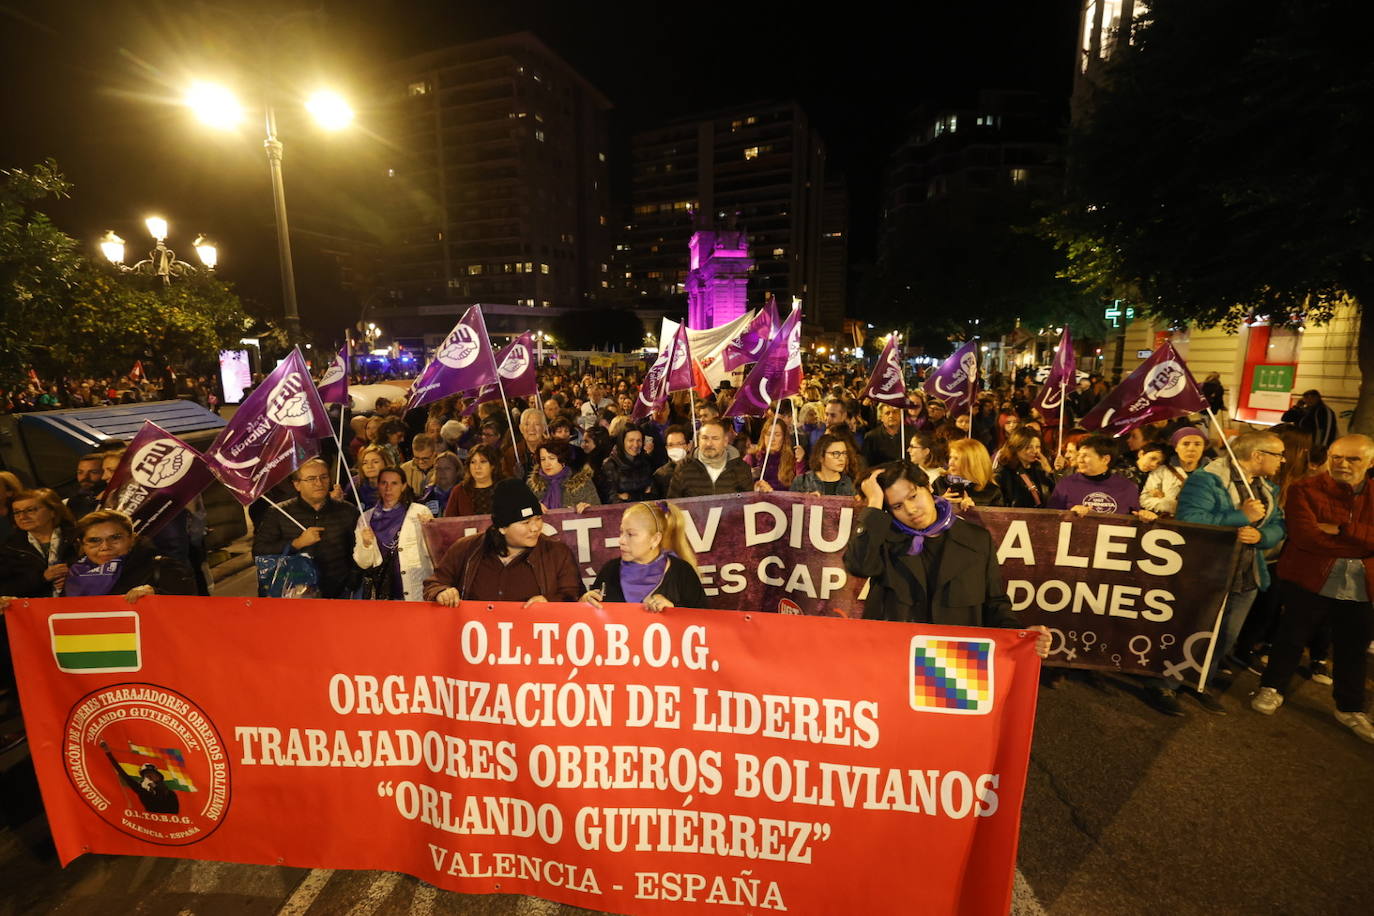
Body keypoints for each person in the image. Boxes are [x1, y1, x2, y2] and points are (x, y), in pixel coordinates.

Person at [842, 461, 1049, 656]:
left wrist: (1021, 635)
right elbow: (858, 565)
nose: (910, 510)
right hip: (895, 656)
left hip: (954, 663)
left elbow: (994, 603)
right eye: (897, 506)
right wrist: (875, 503)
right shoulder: (882, 540)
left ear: (929, 488)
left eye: (913, 496)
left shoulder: (976, 539)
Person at [1251, 435, 1374, 742]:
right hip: (1308, 578)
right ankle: (1272, 687)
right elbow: (1306, 537)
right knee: (1290, 637)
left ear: (1370, 462)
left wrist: (1343, 530)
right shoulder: (1304, 489)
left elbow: (1325, 536)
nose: (1343, 464)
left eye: (1353, 459)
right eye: (1337, 457)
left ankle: (1350, 708)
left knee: (1352, 649)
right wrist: (1362, 544)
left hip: (1361, 585)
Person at [1165, 431, 1286, 713]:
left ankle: (1197, 682)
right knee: (1191, 629)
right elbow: (1190, 521)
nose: (1282, 460)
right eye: (1278, 454)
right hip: (1207, 571)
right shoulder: (1207, 480)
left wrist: (1261, 537)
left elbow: (1279, 525)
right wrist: (1240, 517)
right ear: (1258, 455)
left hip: (1246, 575)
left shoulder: (1266, 487)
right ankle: (1164, 685)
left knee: (1224, 637)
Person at [424, 478, 580, 606]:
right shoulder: (466, 549)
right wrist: (441, 592)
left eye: (538, 519)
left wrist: (549, 602)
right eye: (525, 523)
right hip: (476, 639)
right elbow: (433, 584)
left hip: (532, 639)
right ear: (502, 527)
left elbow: (573, 595)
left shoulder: (557, 553)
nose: (535, 528)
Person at [252, 458, 361, 599]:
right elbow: (258, 551)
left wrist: (351, 584)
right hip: (294, 595)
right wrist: (296, 543)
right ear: (297, 484)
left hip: (338, 593)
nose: (319, 483)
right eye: (311, 479)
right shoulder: (278, 513)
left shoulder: (348, 511)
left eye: (324, 477)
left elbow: (357, 553)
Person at [581, 501, 709, 613]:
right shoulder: (610, 570)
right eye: (621, 532)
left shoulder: (682, 572)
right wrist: (584, 604)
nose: (621, 540)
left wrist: (674, 610)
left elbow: (704, 622)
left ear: (655, 539)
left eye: (631, 534)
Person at [63, 510, 195, 600]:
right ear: (82, 544)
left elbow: (193, 609)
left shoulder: (162, 567)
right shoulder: (74, 576)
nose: (105, 547)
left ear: (132, 539)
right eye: (94, 540)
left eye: (115, 538)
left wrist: (158, 594)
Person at [354, 468, 435, 601]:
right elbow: (363, 563)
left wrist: (430, 528)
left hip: (416, 593)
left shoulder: (419, 512)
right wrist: (366, 544)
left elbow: (432, 553)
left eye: (394, 483)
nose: (388, 488)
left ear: (403, 486)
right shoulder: (366, 518)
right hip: (383, 594)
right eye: (383, 483)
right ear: (378, 485)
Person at [1047, 435, 1155, 520]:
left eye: (1085, 455)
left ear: (1105, 459)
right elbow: (1048, 518)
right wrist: (1069, 514)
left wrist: (1145, 516)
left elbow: (1135, 518)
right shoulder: (1066, 484)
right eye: (1079, 455)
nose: (1080, 459)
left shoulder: (1127, 487)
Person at [0, 488, 78, 599]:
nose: (22, 517)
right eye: (17, 512)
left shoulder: (77, 538)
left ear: (53, 511)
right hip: (32, 610)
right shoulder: (10, 547)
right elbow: (5, 589)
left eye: (30, 510)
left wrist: (73, 578)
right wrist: (42, 577)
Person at [667, 418, 756, 497]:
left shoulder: (741, 469)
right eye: (705, 438)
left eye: (715, 438)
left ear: (725, 441)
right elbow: (673, 507)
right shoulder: (683, 468)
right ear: (698, 439)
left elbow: (748, 504)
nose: (709, 443)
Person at [1139, 427, 1210, 517]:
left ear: (1203, 447)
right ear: (1176, 447)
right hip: (1172, 524)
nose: (1191, 448)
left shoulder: (1214, 471)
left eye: (1197, 444)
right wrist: (1171, 505)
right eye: (1186, 444)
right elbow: (1145, 499)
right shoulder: (1162, 471)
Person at [529, 440, 600, 511]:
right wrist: (533, 508)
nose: (547, 464)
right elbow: (523, 513)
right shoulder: (532, 485)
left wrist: (587, 509)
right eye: (543, 459)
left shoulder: (582, 483)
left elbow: (599, 512)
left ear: (563, 460)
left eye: (552, 458)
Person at [934, 439, 1004, 510]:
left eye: (956, 459)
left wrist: (974, 510)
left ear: (972, 463)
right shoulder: (940, 483)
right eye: (950, 457)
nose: (950, 463)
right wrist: (939, 503)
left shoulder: (991, 491)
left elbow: (997, 519)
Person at [994, 430, 1055, 509]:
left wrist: (1049, 472)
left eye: (1037, 447)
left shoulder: (1039, 469)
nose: (1035, 451)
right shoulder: (1004, 473)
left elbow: (1055, 495)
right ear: (1017, 447)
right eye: (1029, 447)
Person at [445, 443, 507, 517]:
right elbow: (448, 522)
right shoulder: (459, 491)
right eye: (473, 462)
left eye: (483, 462)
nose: (477, 467)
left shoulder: (506, 489)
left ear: (492, 465)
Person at [746, 415, 804, 492]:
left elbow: (801, 488)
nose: (772, 439)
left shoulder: (792, 459)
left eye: (777, 435)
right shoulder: (753, 458)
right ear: (763, 436)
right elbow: (742, 488)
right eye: (768, 434)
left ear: (784, 438)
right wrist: (755, 488)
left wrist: (800, 462)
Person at [791, 432, 860, 497]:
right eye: (835, 453)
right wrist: (805, 500)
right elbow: (789, 506)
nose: (842, 458)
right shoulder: (802, 482)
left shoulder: (850, 484)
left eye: (844, 453)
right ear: (821, 456)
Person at [599, 427, 656, 503]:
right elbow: (610, 498)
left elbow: (653, 495)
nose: (636, 445)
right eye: (631, 440)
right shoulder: (610, 465)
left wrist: (629, 497)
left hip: (644, 510)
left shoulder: (646, 461)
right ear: (622, 442)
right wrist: (642, 495)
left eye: (639, 440)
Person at [652, 426, 692, 499]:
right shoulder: (660, 475)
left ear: (688, 446)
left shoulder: (698, 470)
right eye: (671, 445)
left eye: (679, 444)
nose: (675, 448)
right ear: (666, 448)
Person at [66, 453, 106, 519]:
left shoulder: (112, 499)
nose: (85, 477)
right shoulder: (73, 501)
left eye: (93, 472)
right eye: (80, 472)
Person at [421, 452, 462, 517]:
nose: (442, 472)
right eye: (438, 469)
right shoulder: (427, 495)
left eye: (447, 468)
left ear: (457, 471)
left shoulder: (463, 494)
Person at [351, 445, 387, 510]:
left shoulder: (395, 484)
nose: (369, 466)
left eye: (375, 462)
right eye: (365, 463)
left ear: (386, 463)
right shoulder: (354, 484)